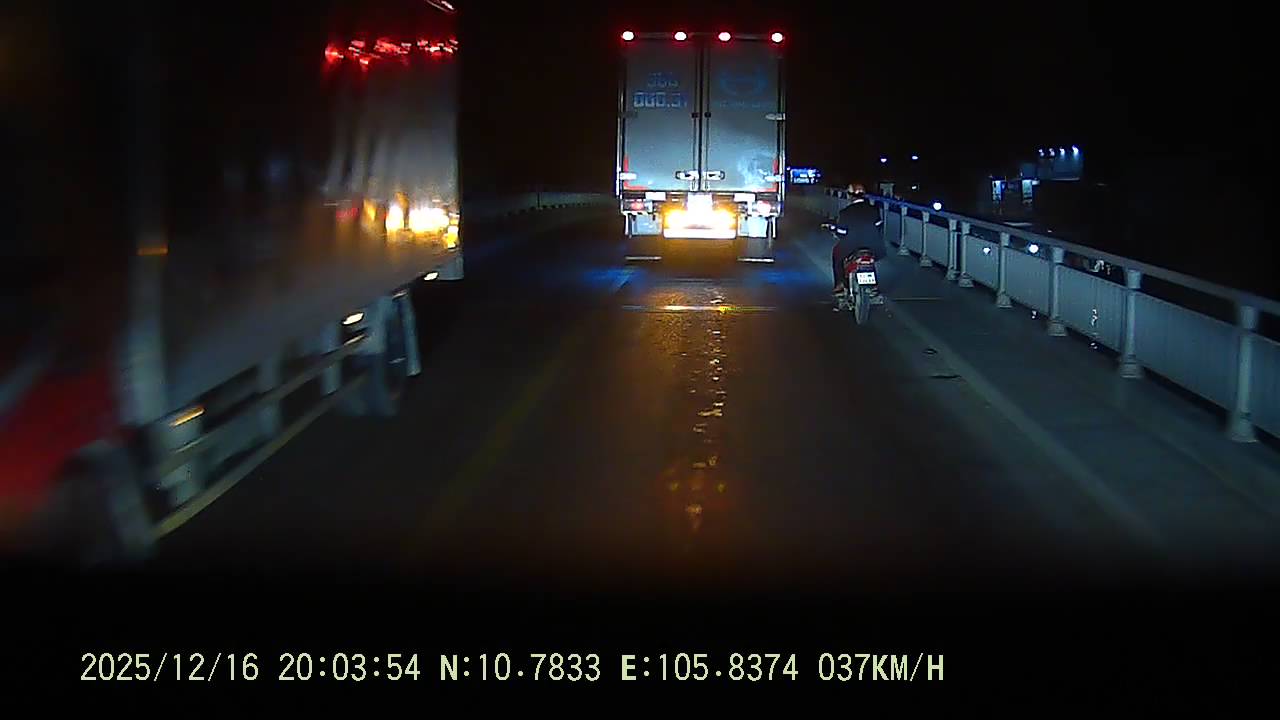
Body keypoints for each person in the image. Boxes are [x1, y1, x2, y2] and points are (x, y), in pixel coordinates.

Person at [830, 186, 883, 295]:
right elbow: (879, 226)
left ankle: (840, 284)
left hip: (851, 245)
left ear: (850, 196)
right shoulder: (874, 209)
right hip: (874, 244)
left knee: (837, 254)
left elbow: (841, 232)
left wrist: (836, 232)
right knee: (870, 260)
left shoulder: (845, 212)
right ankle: (874, 285)